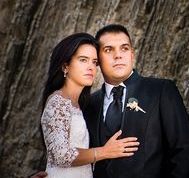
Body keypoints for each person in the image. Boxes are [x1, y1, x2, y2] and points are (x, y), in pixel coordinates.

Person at [83, 24, 189, 178]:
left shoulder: (161, 90)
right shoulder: (90, 103)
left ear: (132, 54)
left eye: (124, 48)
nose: (118, 55)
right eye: (108, 50)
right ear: (97, 59)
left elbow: (185, 149)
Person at [41, 33, 140, 178]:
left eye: (94, 62)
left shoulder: (80, 104)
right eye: (83, 60)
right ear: (65, 66)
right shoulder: (58, 102)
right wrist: (104, 152)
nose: (91, 67)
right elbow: (60, 155)